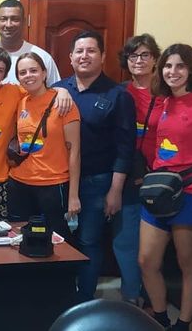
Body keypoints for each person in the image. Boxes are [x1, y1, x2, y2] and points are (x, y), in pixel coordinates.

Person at [51, 30, 136, 303]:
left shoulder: (118, 95)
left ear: (102, 56)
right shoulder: (57, 89)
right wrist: (58, 90)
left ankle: (84, 300)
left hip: (97, 182)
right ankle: (60, 296)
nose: (84, 56)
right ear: (70, 57)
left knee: (90, 241)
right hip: (59, 181)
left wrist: (115, 190)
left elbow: (125, 147)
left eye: (91, 51)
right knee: (59, 240)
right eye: (79, 51)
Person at [138, 44, 192, 331]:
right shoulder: (162, 101)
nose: (173, 72)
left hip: (190, 190)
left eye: (180, 66)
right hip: (158, 189)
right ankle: (160, 317)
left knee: (188, 264)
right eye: (168, 66)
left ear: (191, 69)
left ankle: (183, 323)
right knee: (146, 260)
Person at [0, 48, 72, 223]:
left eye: (0, 70)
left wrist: (62, 90)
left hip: (2, 180)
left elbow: (41, 89)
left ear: (4, 76)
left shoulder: (13, 92)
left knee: (0, 234)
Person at [6, 53, 81, 246]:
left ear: (44, 73)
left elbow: (74, 152)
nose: (28, 75)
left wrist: (73, 196)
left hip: (53, 185)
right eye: (23, 72)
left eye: (33, 70)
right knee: (20, 240)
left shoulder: (63, 103)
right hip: (19, 184)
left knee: (59, 243)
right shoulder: (21, 101)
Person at [118, 33, 164, 305]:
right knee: (126, 239)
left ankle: (153, 300)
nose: (138, 60)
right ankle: (131, 296)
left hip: (160, 176)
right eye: (133, 56)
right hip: (128, 175)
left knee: (155, 245)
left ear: (155, 59)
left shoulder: (167, 91)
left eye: (145, 55)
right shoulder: (120, 92)